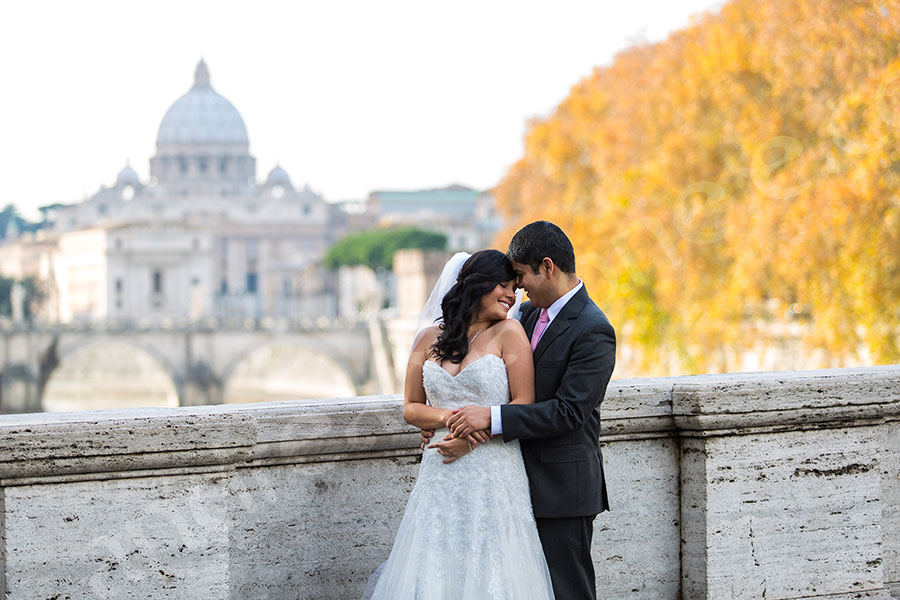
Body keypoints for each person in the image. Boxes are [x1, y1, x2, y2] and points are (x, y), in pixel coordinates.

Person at [362, 249, 555, 600]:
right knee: (433, 564)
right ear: (478, 284)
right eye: (504, 286)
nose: (513, 296)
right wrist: (452, 419)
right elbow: (411, 407)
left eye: (516, 288)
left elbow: (524, 403)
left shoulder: (510, 333)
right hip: (439, 474)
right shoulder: (425, 339)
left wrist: (472, 438)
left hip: (493, 472)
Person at [443, 221, 616, 600]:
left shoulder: (593, 329)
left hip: (562, 488)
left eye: (521, 276)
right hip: (509, 483)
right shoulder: (524, 317)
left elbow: (569, 412)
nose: (517, 287)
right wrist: (445, 418)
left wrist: (490, 417)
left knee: (567, 591)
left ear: (548, 267)